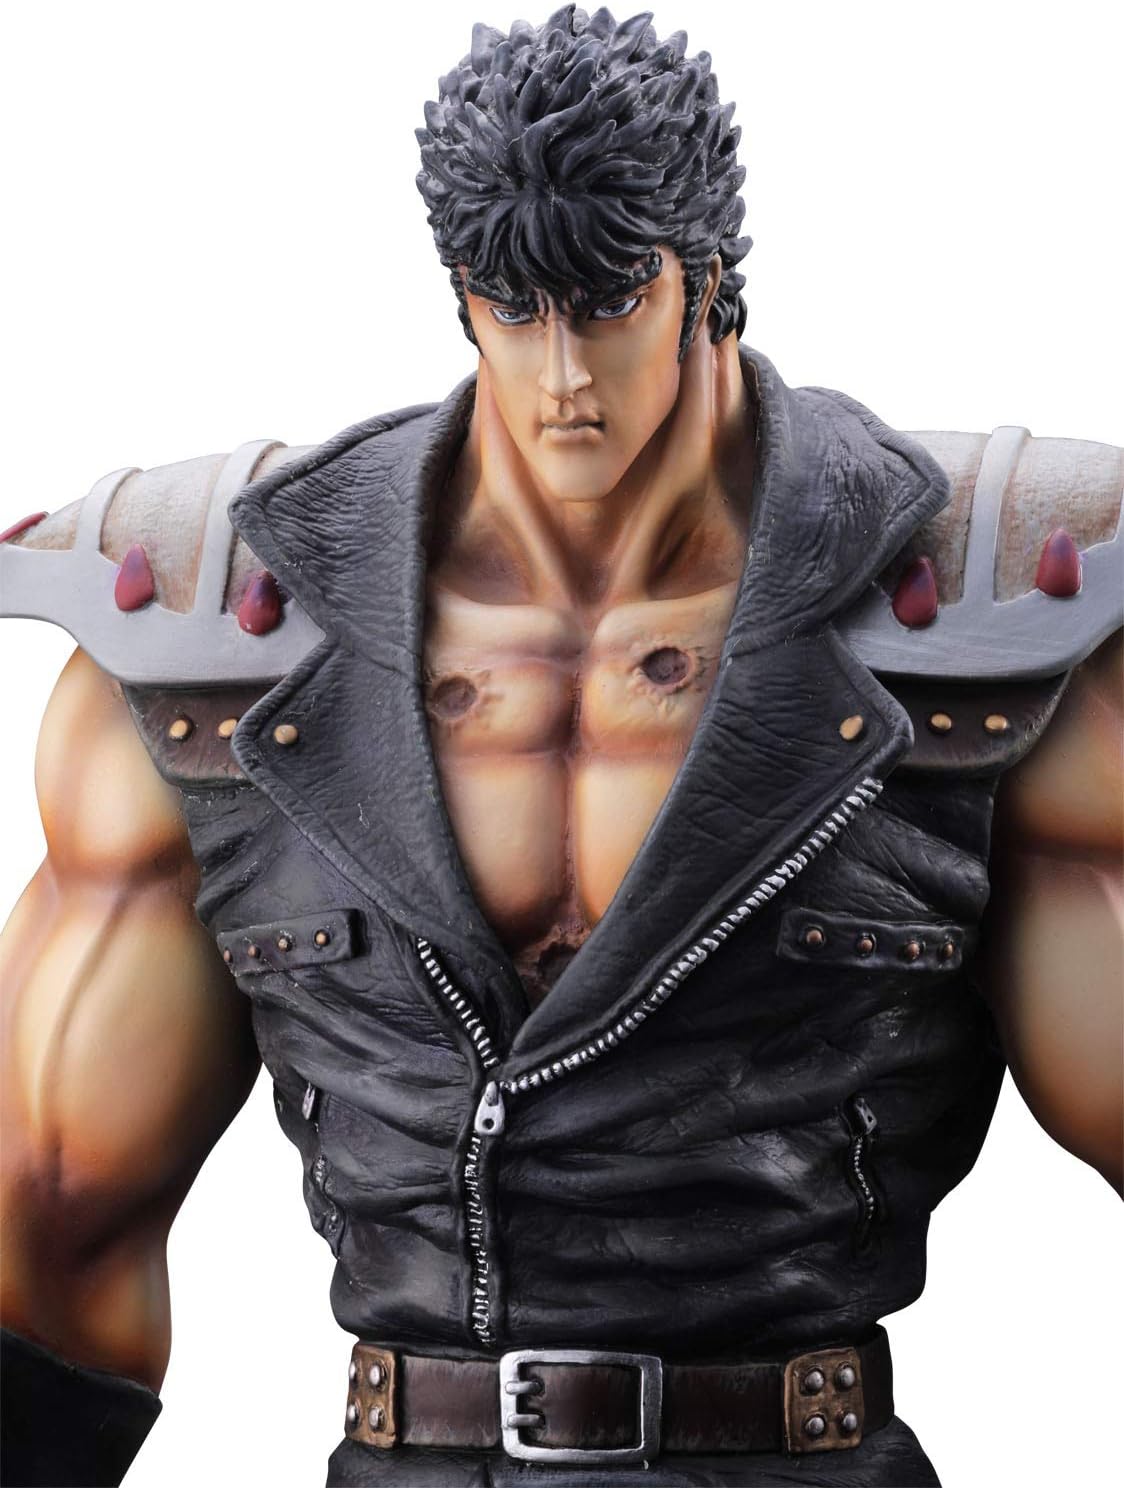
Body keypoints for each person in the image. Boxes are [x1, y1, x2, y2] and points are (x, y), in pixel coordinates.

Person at [1, 7, 1120, 1486]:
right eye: (513, 306)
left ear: (707, 279)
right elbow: (50, 1207)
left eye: (608, 301)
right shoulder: (209, 643)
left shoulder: (997, 622)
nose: (562, 375)